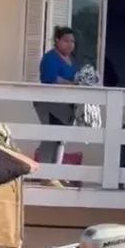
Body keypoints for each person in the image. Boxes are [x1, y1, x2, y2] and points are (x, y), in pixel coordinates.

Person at [34, 26, 77, 165]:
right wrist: (73, 84)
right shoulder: (50, 58)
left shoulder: (72, 60)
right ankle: (45, 172)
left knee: (61, 138)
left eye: (72, 41)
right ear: (57, 40)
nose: (69, 44)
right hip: (49, 104)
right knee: (50, 136)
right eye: (65, 40)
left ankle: (55, 172)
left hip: (66, 105)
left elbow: (76, 77)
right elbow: (52, 78)